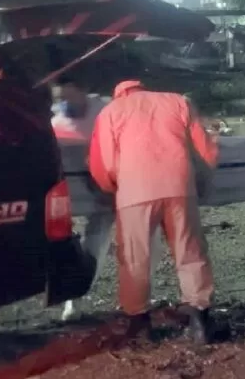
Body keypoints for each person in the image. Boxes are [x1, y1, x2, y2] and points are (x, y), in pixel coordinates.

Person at [88, 80, 218, 342]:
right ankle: (200, 321)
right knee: (190, 252)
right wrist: (201, 183)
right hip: (179, 187)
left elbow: (103, 163)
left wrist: (111, 187)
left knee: (135, 258)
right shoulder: (178, 101)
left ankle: (140, 324)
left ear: (118, 94)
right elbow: (205, 149)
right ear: (143, 88)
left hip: (134, 192)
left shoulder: (111, 112)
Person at [50, 75, 115, 322]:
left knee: (96, 242)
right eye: (59, 98)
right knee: (65, 246)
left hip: (106, 188)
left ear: (82, 90)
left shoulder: (105, 110)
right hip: (68, 193)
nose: (63, 102)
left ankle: (77, 296)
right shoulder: (55, 118)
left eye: (67, 96)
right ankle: (68, 296)